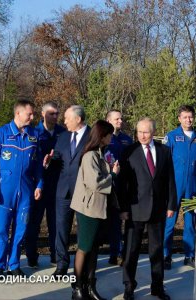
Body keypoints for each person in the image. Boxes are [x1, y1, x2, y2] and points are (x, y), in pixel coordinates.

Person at [120, 117, 177, 300]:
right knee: (131, 251)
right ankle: (129, 286)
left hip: (158, 210)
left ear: (153, 132)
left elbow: (170, 180)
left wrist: (171, 205)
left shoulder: (165, 151)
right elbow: (123, 183)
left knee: (156, 251)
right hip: (134, 209)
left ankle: (157, 287)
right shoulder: (129, 151)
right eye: (139, 132)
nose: (142, 136)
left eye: (146, 132)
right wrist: (122, 208)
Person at [0, 99, 43, 276]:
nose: (32, 117)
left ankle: (14, 264)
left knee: (20, 229)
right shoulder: (1, 134)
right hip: (4, 191)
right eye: (29, 113)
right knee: (1, 229)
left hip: (26, 191)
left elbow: (38, 164)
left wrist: (39, 184)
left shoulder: (34, 135)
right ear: (18, 113)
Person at [70, 120, 120, 300]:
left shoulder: (100, 153)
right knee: (84, 247)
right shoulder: (90, 156)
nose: (111, 137)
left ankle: (90, 286)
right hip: (88, 209)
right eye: (109, 134)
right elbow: (95, 183)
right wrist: (113, 174)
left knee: (94, 248)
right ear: (102, 136)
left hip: (98, 208)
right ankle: (77, 287)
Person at [163, 105, 196, 269]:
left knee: (190, 223)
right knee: (169, 222)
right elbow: (164, 163)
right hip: (173, 187)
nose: (188, 120)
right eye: (185, 117)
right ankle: (166, 255)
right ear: (179, 118)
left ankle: (190, 255)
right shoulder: (172, 137)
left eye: (191, 117)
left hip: (192, 187)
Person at [50, 105, 91, 278]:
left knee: (84, 231)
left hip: (84, 192)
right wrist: (50, 161)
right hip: (63, 191)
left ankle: (82, 267)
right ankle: (61, 265)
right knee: (61, 229)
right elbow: (58, 158)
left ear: (78, 119)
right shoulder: (63, 136)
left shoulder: (92, 136)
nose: (64, 121)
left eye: (67, 118)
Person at [25, 101, 65, 268]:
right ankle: (31, 257)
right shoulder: (34, 133)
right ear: (43, 114)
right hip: (38, 186)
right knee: (34, 223)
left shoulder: (63, 133)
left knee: (56, 223)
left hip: (57, 185)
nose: (55, 117)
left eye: (57, 113)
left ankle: (56, 256)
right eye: (51, 113)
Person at [105, 109, 133, 266]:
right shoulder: (104, 139)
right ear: (108, 121)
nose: (120, 122)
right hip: (107, 184)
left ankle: (119, 252)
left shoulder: (127, 140)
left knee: (120, 220)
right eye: (116, 119)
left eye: (121, 119)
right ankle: (111, 251)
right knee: (108, 222)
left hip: (123, 186)